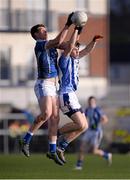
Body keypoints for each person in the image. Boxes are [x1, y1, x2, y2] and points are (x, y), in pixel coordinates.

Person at [19, 13, 74, 166]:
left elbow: (68, 45)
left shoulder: (51, 44)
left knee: (55, 119)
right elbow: (58, 40)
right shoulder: (40, 44)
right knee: (46, 114)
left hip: (53, 86)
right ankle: (25, 140)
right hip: (43, 84)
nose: (45, 31)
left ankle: (52, 150)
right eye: (42, 30)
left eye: (45, 30)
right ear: (36, 35)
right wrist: (67, 25)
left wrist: (78, 29)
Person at [56, 25, 103, 163]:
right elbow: (70, 46)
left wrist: (93, 41)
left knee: (85, 126)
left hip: (72, 95)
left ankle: (61, 146)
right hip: (65, 94)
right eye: (75, 47)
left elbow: (87, 51)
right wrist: (77, 30)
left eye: (78, 47)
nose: (77, 49)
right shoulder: (64, 59)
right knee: (81, 124)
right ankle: (55, 135)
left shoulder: (75, 59)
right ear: (69, 50)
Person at [75, 96, 112, 170]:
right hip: (89, 131)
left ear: (94, 102)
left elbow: (105, 119)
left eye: (92, 101)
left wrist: (98, 123)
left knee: (94, 151)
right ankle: (79, 165)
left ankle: (107, 155)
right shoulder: (87, 109)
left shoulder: (97, 110)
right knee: (82, 147)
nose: (90, 103)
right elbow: (84, 118)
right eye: (89, 101)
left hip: (97, 132)